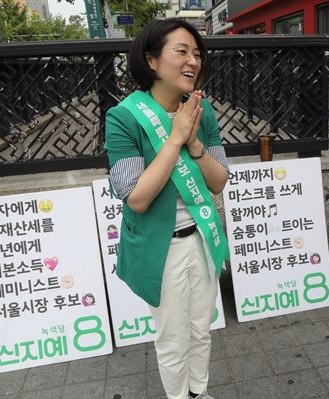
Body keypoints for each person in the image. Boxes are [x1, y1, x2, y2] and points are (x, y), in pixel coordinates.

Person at [104, 18, 230, 399]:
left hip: (202, 239)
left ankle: (200, 392)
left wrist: (195, 146)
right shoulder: (124, 117)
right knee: (173, 339)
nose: (193, 61)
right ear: (152, 61)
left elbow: (219, 181)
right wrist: (174, 140)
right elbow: (137, 197)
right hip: (162, 249)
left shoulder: (201, 112)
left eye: (197, 54)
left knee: (201, 330)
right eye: (181, 52)